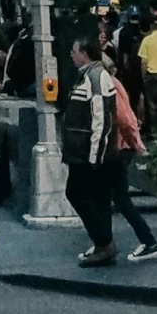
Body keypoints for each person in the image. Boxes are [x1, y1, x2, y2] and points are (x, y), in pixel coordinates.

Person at [60, 34, 119, 268]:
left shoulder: (95, 77)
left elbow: (101, 118)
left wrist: (95, 155)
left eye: (74, 51)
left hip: (89, 153)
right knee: (98, 198)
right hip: (89, 151)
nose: (72, 55)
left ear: (84, 53)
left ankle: (104, 242)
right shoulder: (91, 76)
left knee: (75, 193)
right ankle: (103, 244)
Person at [101, 50, 157, 262]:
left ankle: (147, 241)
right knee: (115, 196)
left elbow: (124, 118)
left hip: (118, 146)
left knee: (119, 197)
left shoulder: (108, 84)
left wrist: (136, 143)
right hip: (120, 145)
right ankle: (105, 243)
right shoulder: (112, 81)